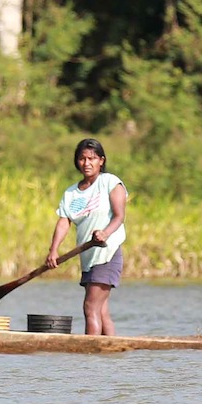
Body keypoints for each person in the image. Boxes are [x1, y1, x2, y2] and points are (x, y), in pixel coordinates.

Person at [46, 138, 127, 336]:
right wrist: (53, 250)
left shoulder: (109, 182)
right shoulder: (71, 192)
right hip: (88, 258)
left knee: (90, 307)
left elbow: (119, 216)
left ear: (101, 160)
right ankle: (109, 353)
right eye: (82, 159)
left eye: (92, 158)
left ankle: (90, 358)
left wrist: (105, 233)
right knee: (101, 310)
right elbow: (64, 221)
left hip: (107, 253)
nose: (87, 163)